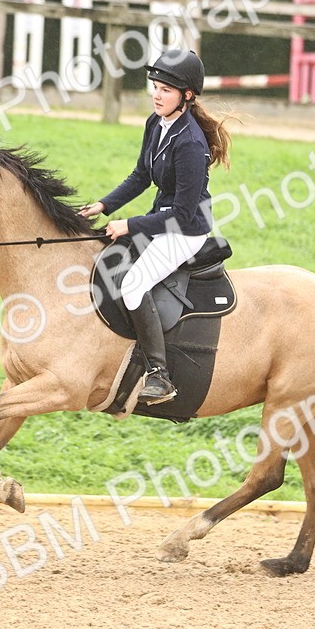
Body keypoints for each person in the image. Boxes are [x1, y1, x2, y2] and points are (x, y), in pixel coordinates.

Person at [79, 49, 233, 404]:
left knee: (133, 285)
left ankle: (159, 376)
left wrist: (130, 225)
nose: (156, 94)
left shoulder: (192, 143)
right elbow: (141, 175)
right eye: (155, 86)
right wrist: (105, 204)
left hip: (185, 231)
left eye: (165, 89)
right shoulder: (157, 123)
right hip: (161, 218)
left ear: (187, 96)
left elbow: (181, 212)